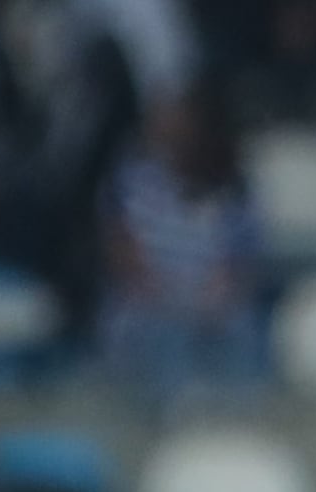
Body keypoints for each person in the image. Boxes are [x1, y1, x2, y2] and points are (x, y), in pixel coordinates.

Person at [99, 86, 272, 405]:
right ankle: (169, 418)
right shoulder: (132, 180)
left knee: (241, 328)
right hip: (149, 303)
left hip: (213, 307)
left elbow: (239, 270)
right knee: (161, 331)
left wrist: (211, 300)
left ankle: (240, 420)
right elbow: (124, 254)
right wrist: (167, 299)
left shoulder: (235, 193)